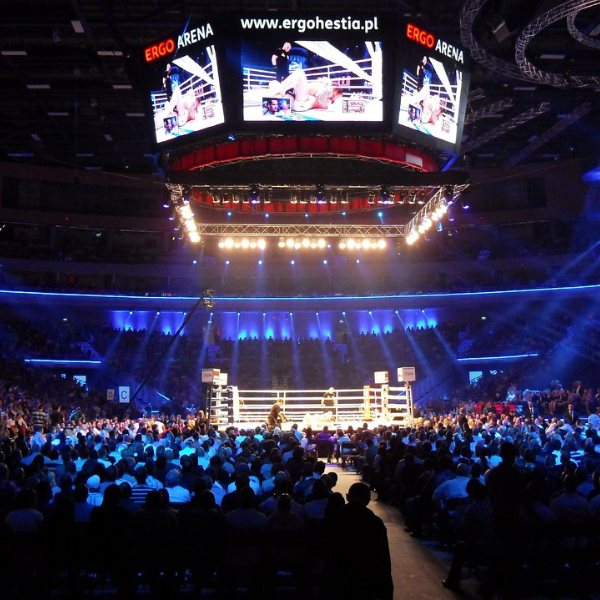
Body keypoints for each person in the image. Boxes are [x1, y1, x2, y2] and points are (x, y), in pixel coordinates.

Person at [269, 69, 342, 112]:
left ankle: (278, 93)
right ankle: (279, 100)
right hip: (296, 97)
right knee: (273, 83)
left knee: (300, 73)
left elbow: (320, 100)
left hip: (302, 102)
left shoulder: (326, 96)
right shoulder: (325, 92)